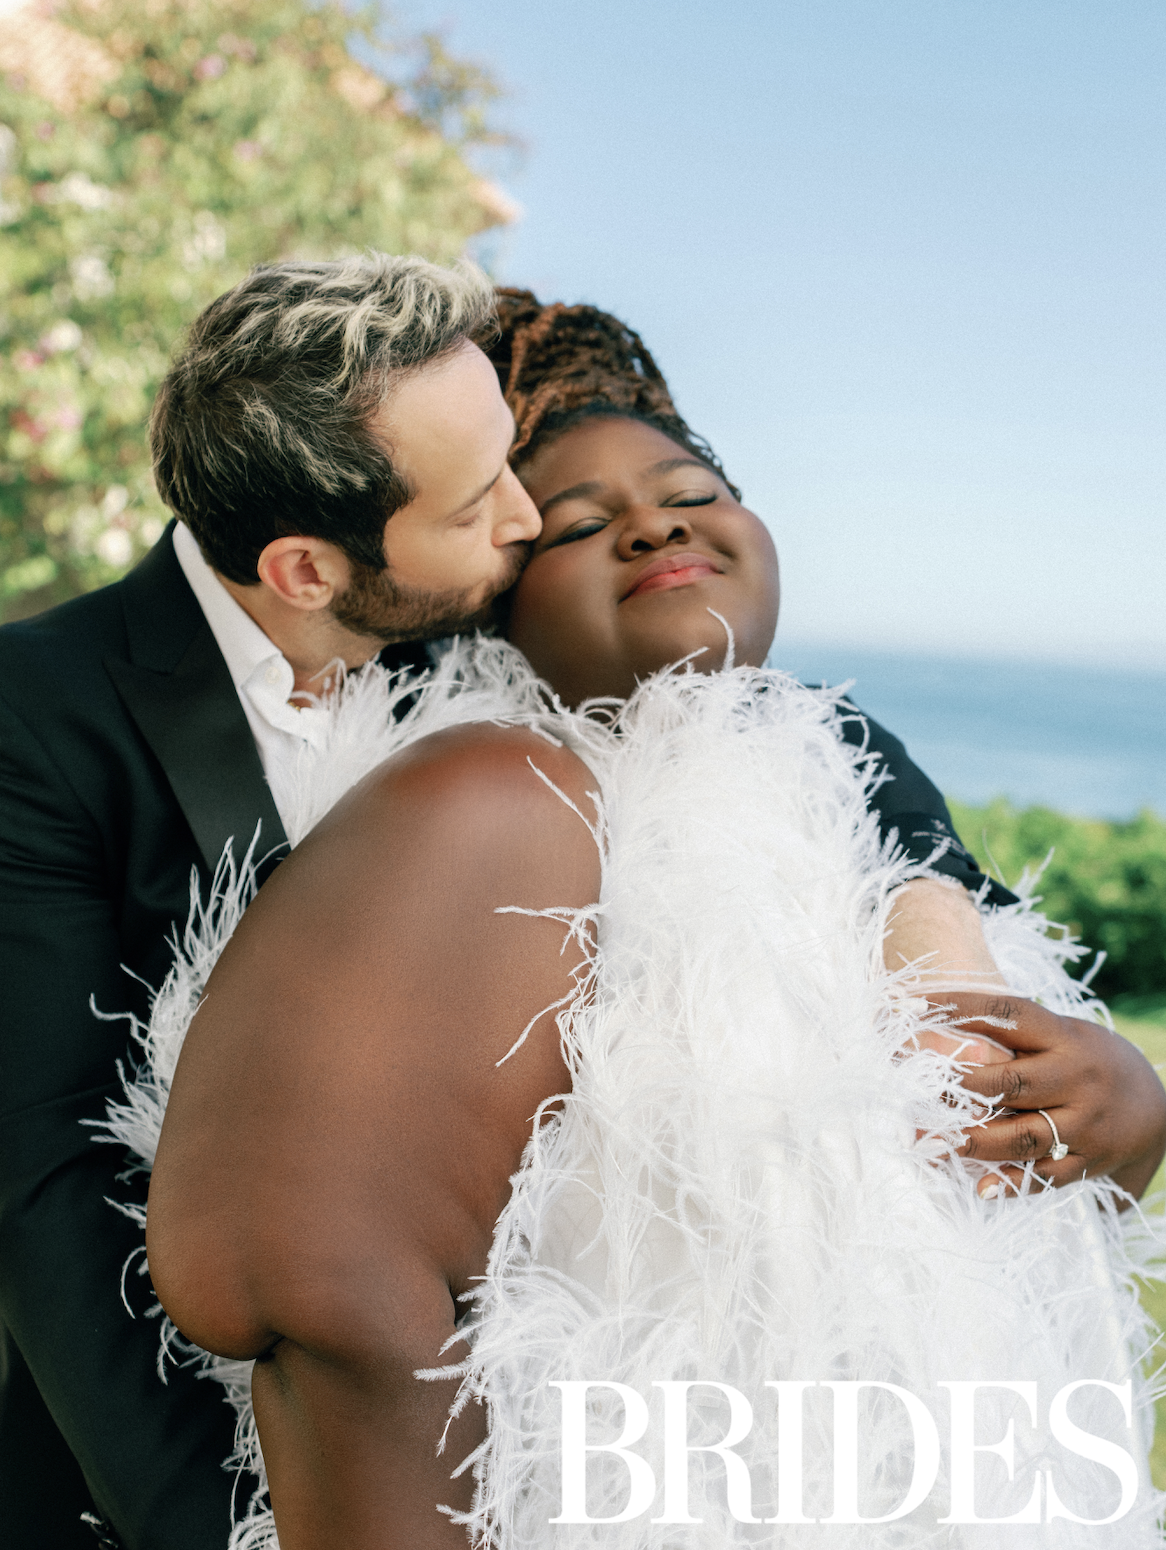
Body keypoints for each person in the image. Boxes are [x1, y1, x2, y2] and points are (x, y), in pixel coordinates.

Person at [129, 297, 1166, 1545]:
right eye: (572, 523)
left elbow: (1014, 1200)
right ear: (489, 599)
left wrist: (1117, 1102)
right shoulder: (473, 790)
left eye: (692, 486)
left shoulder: (840, 766)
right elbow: (306, 1259)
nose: (654, 521)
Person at [0, 253, 542, 1550]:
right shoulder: (31, 719)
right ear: (304, 568)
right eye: (476, 505)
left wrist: (933, 886)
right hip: (163, 1457)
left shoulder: (481, 626)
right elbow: (44, 1182)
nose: (526, 519)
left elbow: (726, 692)